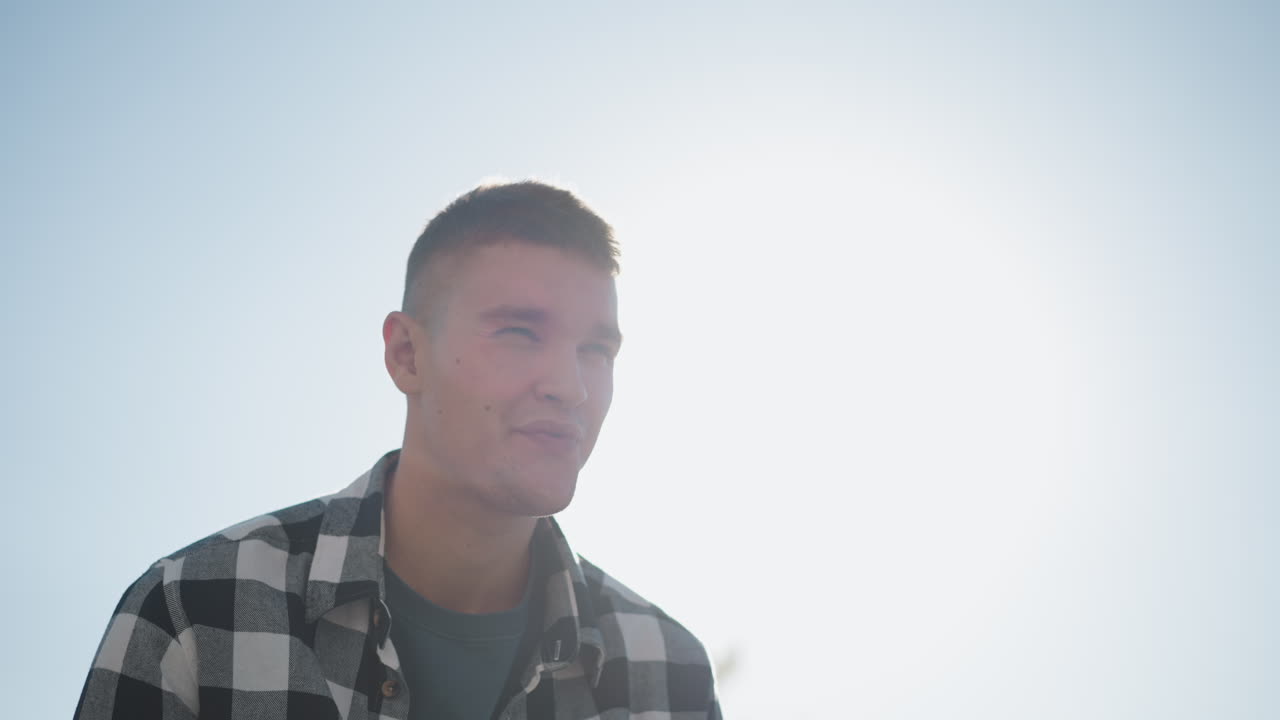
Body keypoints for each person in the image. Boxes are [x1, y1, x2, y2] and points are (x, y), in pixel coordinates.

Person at [75, 181, 721, 720]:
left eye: (596, 350)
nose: (571, 387)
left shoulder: (669, 673)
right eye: (521, 332)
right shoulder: (194, 612)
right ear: (406, 354)